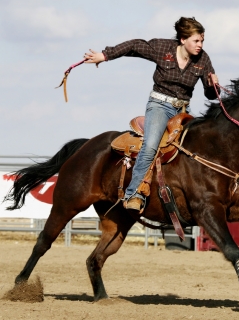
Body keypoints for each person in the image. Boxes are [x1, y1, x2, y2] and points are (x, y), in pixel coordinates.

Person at [83, 17, 219, 211]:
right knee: (151, 145)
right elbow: (135, 46)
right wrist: (105, 55)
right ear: (182, 39)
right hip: (159, 106)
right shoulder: (162, 48)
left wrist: (214, 86)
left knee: (197, 147)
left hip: (182, 112)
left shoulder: (203, 59)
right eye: (196, 41)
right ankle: (133, 193)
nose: (200, 45)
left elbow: (210, 94)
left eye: (202, 41)